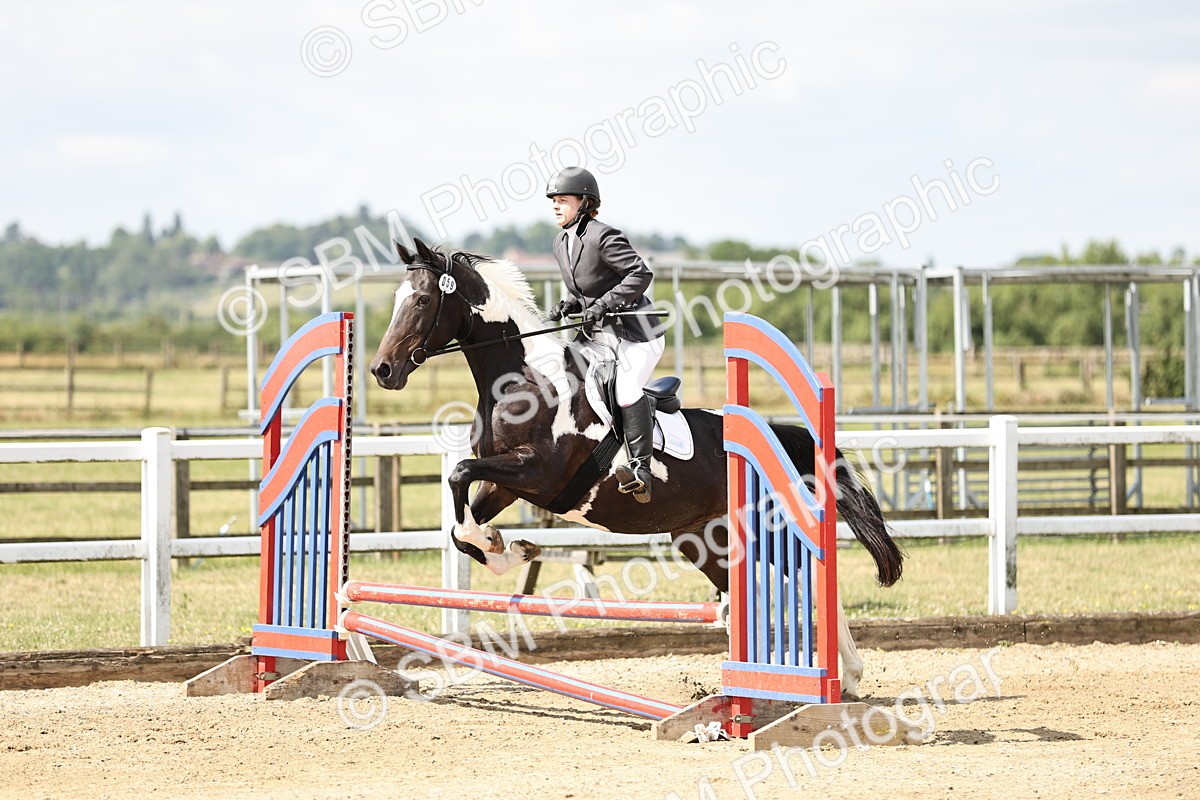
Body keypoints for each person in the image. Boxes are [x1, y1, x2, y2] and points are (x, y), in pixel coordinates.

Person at [546, 166, 665, 503]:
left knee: (626, 388)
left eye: (563, 200)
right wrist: (568, 304)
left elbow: (640, 274)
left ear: (585, 203)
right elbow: (587, 285)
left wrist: (605, 303)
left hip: (636, 334)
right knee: (567, 374)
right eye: (553, 201)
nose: (556, 206)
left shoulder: (604, 236)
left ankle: (641, 468)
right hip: (599, 335)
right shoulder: (561, 242)